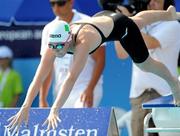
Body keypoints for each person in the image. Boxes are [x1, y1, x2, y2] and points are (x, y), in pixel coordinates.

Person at [7, 6, 180, 132]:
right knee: (137, 20)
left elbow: (71, 77)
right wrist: (25, 106)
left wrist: (55, 109)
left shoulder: (83, 42)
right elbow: (38, 78)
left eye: (60, 47)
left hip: (118, 27)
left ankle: (173, 82)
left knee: (144, 63)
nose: (58, 51)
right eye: (54, 47)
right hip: (102, 19)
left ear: (68, 39)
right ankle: (168, 14)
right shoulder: (54, 45)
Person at [39, 0, 105, 108]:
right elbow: (46, 66)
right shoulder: (48, 29)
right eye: (52, 4)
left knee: (80, 123)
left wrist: (90, 88)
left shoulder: (88, 23)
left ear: (71, 2)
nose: (56, 7)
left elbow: (100, 59)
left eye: (60, 3)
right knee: (64, 124)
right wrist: (42, 98)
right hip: (61, 91)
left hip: (84, 88)